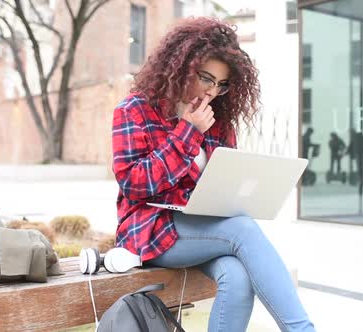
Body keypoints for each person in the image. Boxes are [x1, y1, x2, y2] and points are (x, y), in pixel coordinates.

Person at [111, 17, 315, 332]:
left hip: (202, 229)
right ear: (180, 67)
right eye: (206, 78)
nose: (212, 91)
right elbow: (135, 184)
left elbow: (223, 180)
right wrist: (188, 133)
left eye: (222, 84)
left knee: (237, 277)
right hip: (149, 230)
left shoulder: (218, 121)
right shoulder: (135, 109)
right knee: (242, 230)